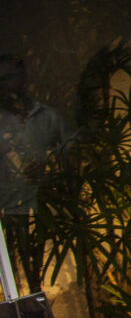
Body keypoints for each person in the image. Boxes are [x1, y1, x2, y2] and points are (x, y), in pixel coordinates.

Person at [0, 54, 71, 292]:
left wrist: (48, 165)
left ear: (23, 79)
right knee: (16, 274)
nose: (5, 84)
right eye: (1, 79)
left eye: (10, 77)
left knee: (40, 270)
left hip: (46, 209)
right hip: (9, 212)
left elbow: (71, 156)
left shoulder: (48, 117)